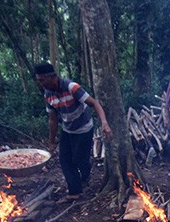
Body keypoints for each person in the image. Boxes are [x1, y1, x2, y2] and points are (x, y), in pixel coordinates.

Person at [34, 62, 113, 201]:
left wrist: (104, 123)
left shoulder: (71, 87)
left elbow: (94, 103)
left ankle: (86, 173)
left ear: (52, 77)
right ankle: (75, 191)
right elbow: (52, 119)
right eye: (38, 80)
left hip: (83, 128)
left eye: (42, 80)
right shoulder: (48, 94)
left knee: (79, 160)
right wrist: (51, 142)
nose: (41, 83)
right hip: (67, 129)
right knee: (64, 160)